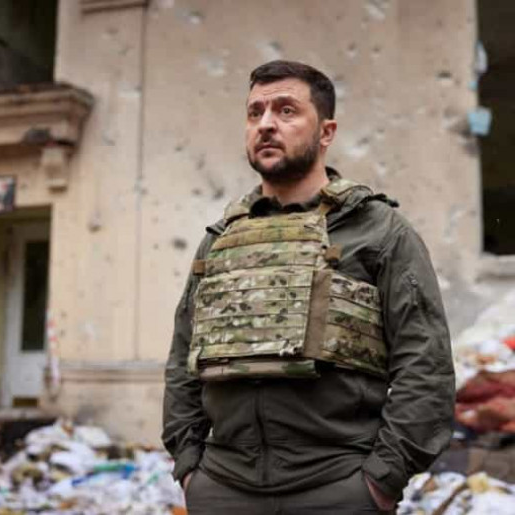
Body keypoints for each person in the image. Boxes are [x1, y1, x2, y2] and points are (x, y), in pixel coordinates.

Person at [162, 60, 455, 514]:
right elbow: (183, 361)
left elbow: (425, 366)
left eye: (286, 110)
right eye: (255, 112)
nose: (266, 124)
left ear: (326, 132)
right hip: (223, 488)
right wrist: (189, 468)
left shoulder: (379, 230)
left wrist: (381, 480)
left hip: (337, 488)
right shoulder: (220, 239)